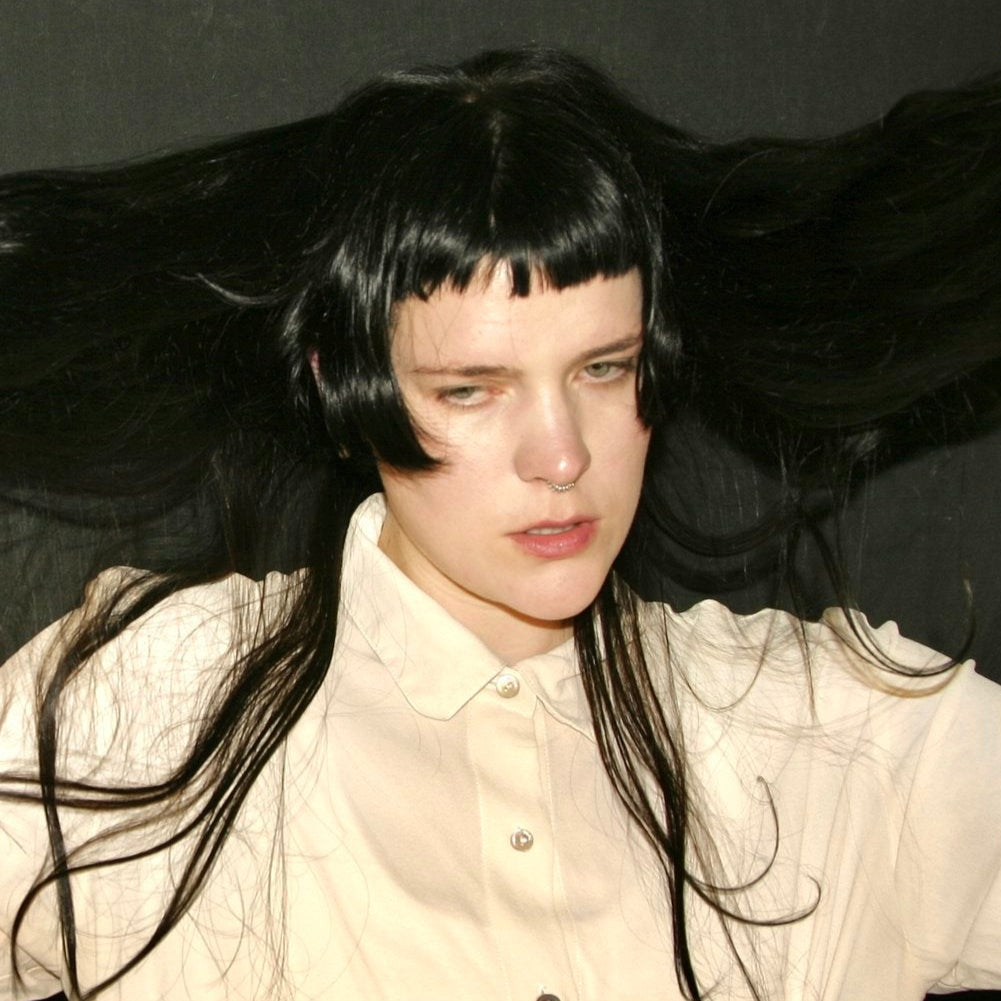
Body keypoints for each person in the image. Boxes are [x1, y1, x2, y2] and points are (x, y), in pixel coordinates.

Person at [1, 47, 1000, 1001]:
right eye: (470, 388)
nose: (561, 457)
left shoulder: (843, 734)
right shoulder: (140, 704)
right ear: (340, 383)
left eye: (603, 368)